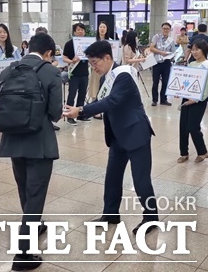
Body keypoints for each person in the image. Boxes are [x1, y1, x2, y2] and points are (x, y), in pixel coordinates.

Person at [64, 41, 159, 235]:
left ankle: (151, 218)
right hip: (117, 136)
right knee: (112, 177)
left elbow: (112, 101)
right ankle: (110, 214)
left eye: (95, 62)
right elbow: (102, 102)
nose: (93, 67)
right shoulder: (106, 77)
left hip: (135, 133)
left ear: (107, 58)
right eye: (90, 64)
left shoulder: (122, 75)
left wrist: (81, 110)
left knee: (141, 180)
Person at [0, 33, 63, 271]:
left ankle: (35, 223)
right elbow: (55, 113)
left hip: (13, 139)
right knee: (36, 193)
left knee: (24, 187)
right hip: (39, 141)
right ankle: (23, 254)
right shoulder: (50, 72)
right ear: (49, 53)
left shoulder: (9, 70)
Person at [178, 40, 208, 163]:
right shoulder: (191, 64)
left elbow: (207, 87)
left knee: (193, 127)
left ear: (203, 50)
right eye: (192, 50)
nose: (194, 52)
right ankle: (184, 153)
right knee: (183, 126)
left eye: (197, 49)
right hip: (187, 97)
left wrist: (195, 99)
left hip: (199, 100)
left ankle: (203, 152)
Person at [62, 23, 90, 125]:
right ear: (74, 32)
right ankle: (69, 116)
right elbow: (64, 57)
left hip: (85, 73)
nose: (80, 31)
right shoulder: (69, 44)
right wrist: (71, 61)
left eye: (82, 30)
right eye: (78, 30)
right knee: (72, 94)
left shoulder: (88, 43)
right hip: (74, 73)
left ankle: (80, 115)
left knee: (82, 95)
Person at [149, 22, 176, 106]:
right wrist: (161, 52)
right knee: (155, 82)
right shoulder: (156, 37)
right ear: (161, 29)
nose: (165, 30)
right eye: (164, 28)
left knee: (165, 82)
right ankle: (154, 100)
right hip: (157, 63)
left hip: (166, 63)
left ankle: (164, 99)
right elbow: (151, 48)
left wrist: (170, 55)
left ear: (170, 30)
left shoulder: (171, 41)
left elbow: (173, 52)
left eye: (167, 29)